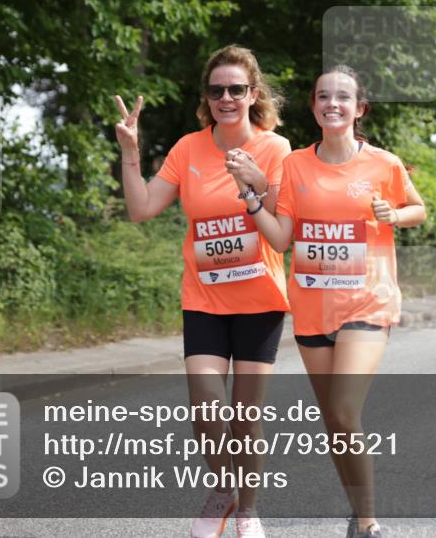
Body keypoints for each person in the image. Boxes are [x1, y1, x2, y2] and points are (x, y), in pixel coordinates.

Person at [115, 45, 290, 538]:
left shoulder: (276, 149)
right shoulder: (189, 148)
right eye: (217, 90)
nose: (227, 98)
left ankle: (249, 509)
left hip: (259, 300)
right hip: (205, 298)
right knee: (207, 407)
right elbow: (142, 208)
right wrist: (130, 154)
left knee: (245, 417)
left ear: (253, 93)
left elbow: (289, 224)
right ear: (206, 97)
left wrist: (259, 182)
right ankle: (222, 492)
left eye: (237, 89)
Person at [244, 65, 426, 538]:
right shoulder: (295, 165)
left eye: (343, 97)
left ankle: (367, 523)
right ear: (313, 106)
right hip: (311, 307)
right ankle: (356, 510)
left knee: (344, 411)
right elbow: (283, 237)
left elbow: (418, 209)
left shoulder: (384, 164)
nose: (333, 104)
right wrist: (252, 203)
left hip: (368, 300)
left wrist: (395, 214)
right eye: (323, 96)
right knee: (335, 423)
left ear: (359, 109)